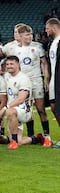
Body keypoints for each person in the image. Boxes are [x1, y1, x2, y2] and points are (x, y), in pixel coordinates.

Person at [15, 24, 51, 147]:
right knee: (28, 110)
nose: (29, 37)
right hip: (24, 83)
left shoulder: (38, 47)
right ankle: (31, 135)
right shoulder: (16, 50)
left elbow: (44, 64)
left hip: (36, 82)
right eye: (26, 35)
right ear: (20, 36)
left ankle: (47, 136)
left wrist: (46, 79)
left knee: (41, 109)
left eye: (30, 34)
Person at [0, 56, 34, 150]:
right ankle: (36, 139)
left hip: (24, 110)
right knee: (20, 140)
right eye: (7, 64)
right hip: (14, 110)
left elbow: (21, 99)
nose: (9, 66)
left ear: (18, 64)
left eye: (12, 64)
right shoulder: (7, 76)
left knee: (10, 111)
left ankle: (14, 143)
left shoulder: (23, 79)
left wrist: (4, 108)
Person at [45, 18, 60, 147]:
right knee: (54, 107)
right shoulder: (52, 43)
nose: (46, 31)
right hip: (54, 80)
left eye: (47, 28)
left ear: (54, 28)